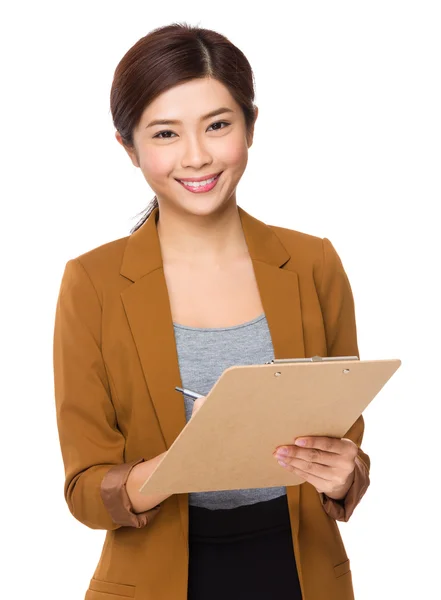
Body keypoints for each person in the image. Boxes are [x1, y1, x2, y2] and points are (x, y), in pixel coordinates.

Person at [53, 22, 370, 600]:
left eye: (218, 125)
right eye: (166, 133)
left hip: (299, 573)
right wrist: (183, 464)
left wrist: (345, 474)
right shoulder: (92, 283)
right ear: (128, 147)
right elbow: (83, 488)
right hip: (153, 580)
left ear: (250, 126)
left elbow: (345, 446)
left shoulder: (313, 264)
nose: (196, 157)